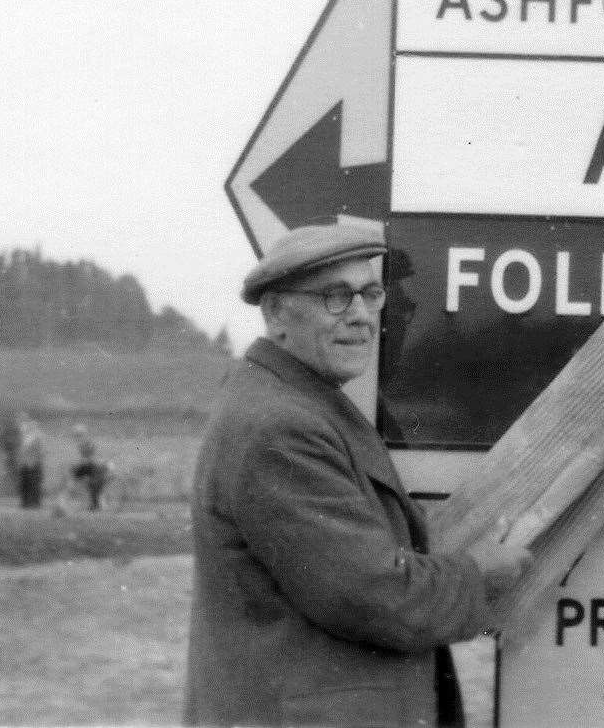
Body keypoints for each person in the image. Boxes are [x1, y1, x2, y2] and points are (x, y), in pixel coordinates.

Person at [185, 222, 532, 727]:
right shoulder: (280, 427)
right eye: (335, 297)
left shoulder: (297, 402)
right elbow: (369, 594)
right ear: (276, 313)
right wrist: (477, 577)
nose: (363, 317)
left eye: (371, 294)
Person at [69, 424, 111, 511]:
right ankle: (95, 505)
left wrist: (79, 464)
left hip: (96, 466)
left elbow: (91, 457)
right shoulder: (84, 443)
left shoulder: (86, 443)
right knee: (92, 486)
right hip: (94, 466)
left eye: (77, 435)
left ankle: (97, 505)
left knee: (94, 486)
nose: (76, 437)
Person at [14, 414, 45, 509]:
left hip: (34, 464)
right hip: (25, 464)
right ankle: (25, 502)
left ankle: (35, 503)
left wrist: (34, 461)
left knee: (34, 483)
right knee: (25, 483)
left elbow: (40, 451)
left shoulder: (37, 437)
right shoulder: (24, 438)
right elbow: (22, 451)